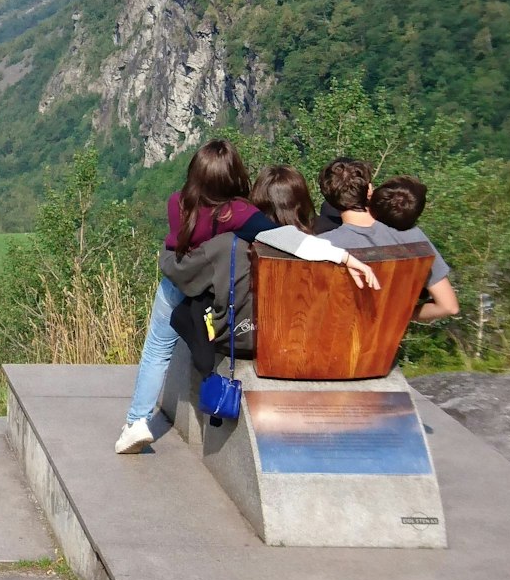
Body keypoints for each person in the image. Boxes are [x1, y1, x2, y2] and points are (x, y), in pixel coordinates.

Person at [114, 142, 377, 455]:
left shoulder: (177, 202)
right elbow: (287, 239)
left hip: (180, 280)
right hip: (214, 288)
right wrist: (344, 257)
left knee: (157, 348)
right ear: (234, 177)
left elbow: (181, 242)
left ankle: (137, 421)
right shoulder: (238, 213)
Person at [319, 166, 459, 323]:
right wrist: (396, 316)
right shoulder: (411, 234)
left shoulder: (321, 246)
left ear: (329, 200)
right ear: (369, 190)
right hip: (390, 336)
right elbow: (449, 306)